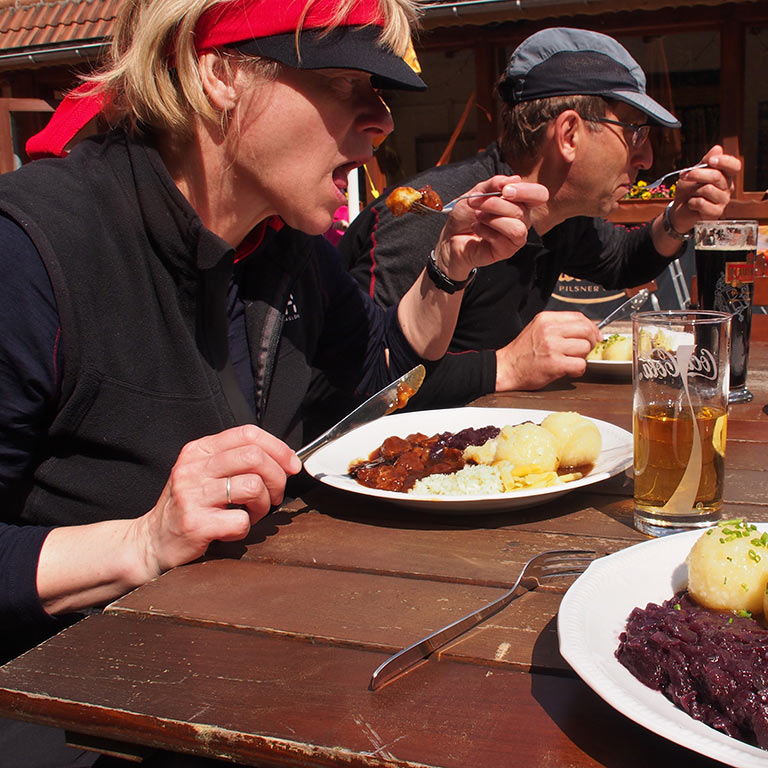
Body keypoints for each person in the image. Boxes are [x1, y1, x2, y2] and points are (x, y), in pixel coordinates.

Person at [0, 0, 549, 763]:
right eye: (347, 83)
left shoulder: (290, 249)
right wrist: (141, 541)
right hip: (75, 725)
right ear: (219, 74)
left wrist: (450, 266)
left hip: (261, 682)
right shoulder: (32, 251)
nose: (382, 119)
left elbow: (377, 379)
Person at [333, 27, 741, 409]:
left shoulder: (561, 216)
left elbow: (621, 261)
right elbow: (359, 378)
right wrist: (505, 367)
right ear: (569, 134)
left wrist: (678, 218)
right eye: (635, 131)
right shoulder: (436, 219)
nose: (647, 157)